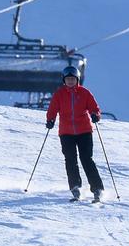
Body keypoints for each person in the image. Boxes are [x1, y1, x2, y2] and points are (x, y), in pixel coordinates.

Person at [45, 66, 105, 202]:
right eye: (68, 79)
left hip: (84, 131)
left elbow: (94, 107)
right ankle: (75, 187)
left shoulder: (84, 93)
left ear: (77, 80)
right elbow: (53, 108)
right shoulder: (59, 94)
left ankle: (97, 188)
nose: (70, 81)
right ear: (64, 80)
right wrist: (50, 119)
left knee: (86, 159)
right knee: (70, 160)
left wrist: (95, 115)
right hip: (66, 133)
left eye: (73, 79)